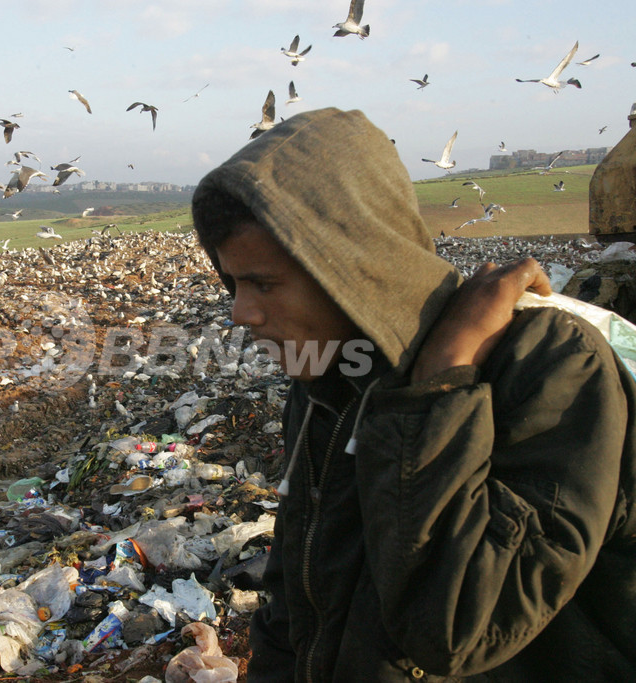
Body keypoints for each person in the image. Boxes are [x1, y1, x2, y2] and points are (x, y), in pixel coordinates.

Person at [190, 107, 636, 681]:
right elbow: (298, 594)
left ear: (350, 265)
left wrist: (441, 384)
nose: (240, 312)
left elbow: (457, 629)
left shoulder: (545, 362)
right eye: (232, 281)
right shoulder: (326, 377)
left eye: (263, 283)